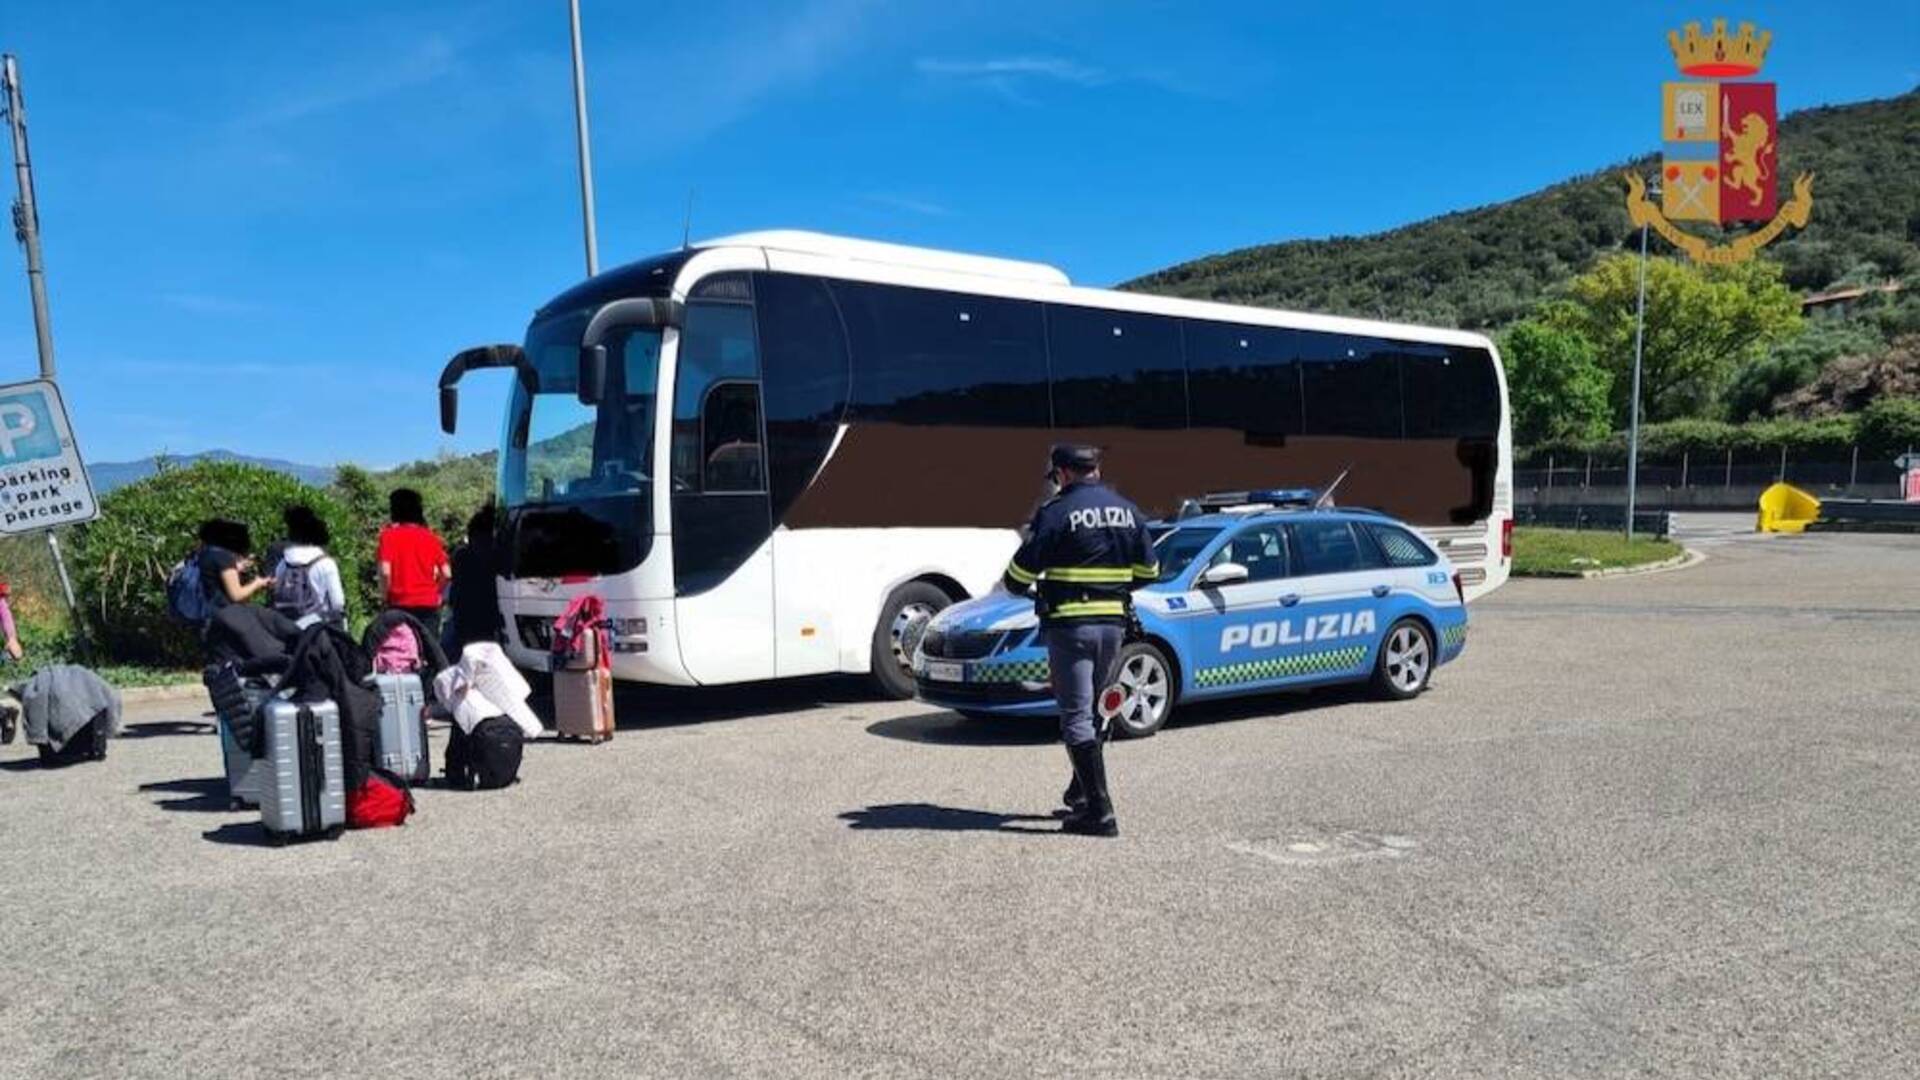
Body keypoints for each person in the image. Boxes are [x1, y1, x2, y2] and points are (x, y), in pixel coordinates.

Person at [1001, 445, 1158, 838]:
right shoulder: (1128, 510)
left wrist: (1033, 588)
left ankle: (1100, 814)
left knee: (1074, 716)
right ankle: (1082, 795)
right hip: (1113, 625)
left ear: (1063, 474)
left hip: (1070, 627)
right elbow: (1149, 570)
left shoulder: (1056, 512)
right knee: (1097, 712)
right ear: (1096, 470)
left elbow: (1018, 575)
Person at [376, 488, 450, 636]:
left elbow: (385, 572)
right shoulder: (430, 537)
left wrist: (385, 597)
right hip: (429, 605)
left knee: (402, 652)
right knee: (429, 652)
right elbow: (447, 573)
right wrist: (437, 592)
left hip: (399, 605)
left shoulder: (388, 536)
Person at [273, 505, 347, 626]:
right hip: (315, 630)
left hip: (286, 627)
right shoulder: (325, 563)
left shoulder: (284, 562)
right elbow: (338, 602)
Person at [447, 504, 504, 651]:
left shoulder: (461, 556)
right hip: (486, 615)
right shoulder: (496, 556)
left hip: (465, 616)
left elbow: (455, 589)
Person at [197, 518, 272, 611]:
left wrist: (235, 568)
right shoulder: (223, 557)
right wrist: (257, 583)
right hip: (219, 614)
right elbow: (237, 596)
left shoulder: (201, 553)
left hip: (196, 611)